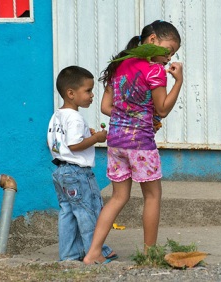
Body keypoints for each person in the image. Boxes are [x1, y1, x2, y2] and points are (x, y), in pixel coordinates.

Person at [83, 20, 183, 264]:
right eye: (167, 51)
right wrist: (178, 81)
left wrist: (130, 112)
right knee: (152, 196)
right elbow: (163, 108)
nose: (168, 58)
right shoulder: (155, 71)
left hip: (116, 142)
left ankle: (93, 252)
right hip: (140, 145)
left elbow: (107, 107)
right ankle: (149, 254)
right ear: (151, 41)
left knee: (118, 198)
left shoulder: (119, 65)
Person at [47, 66, 117, 263]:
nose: (92, 95)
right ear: (71, 93)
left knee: (68, 213)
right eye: (87, 90)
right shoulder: (75, 117)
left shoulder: (57, 116)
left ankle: (69, 256)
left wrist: (88, 135)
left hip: (60, 171)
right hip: (77, 173)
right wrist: (96, 138)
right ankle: (96, 252)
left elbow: (55, 142)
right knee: (88, 211)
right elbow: (75, 145)